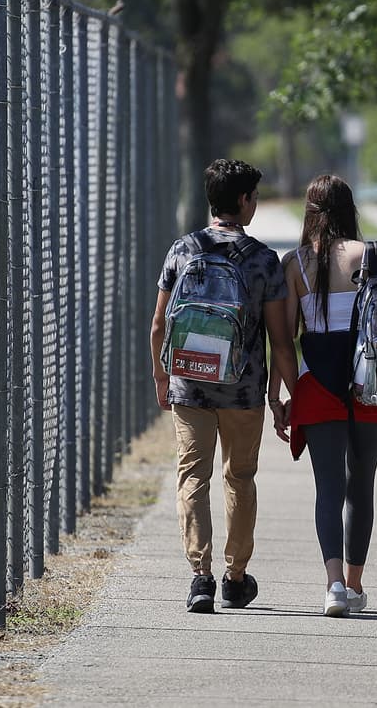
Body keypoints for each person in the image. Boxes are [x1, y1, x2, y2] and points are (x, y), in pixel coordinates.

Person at [150, 159, 298, 614]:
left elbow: (159, 324)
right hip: (243, 388)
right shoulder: (262, 260)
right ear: (243, 201)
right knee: (240, 477)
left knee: (193, 476)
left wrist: (161, 378)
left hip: (189, 384)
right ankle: (235, 578)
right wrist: (282, 396)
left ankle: (200, 577)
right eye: (253, 196)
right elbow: (280, 340)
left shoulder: (183, 250)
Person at [270, 174, 377, 617]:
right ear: (350, 209)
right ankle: (357, 584)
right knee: (361, 485)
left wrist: (283, 393)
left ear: (310, 211)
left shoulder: (297, 263)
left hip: (317, 382)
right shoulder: (375, 256)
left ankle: (335, 586)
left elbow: (284, 340)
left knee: (328, 487)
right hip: (370, 384)